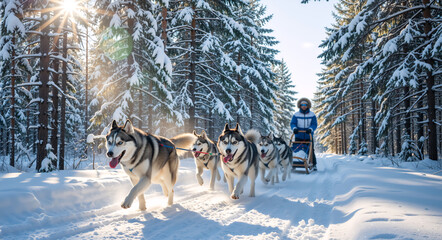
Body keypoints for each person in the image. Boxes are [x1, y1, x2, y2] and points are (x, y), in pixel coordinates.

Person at [290, 98, 318, 171]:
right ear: (300, 105)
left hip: (308, 135)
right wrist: (294, 128)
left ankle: (313, 164)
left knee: (310, 150)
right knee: (296, 149)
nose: (304, 106)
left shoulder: (312, 114)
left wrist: (311, 129)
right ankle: (294, 162)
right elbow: (292, 123)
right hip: (299, 135)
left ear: (308, 106)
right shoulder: (296, 115)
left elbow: (314, 124)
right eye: (302, 105)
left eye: (305, 105)